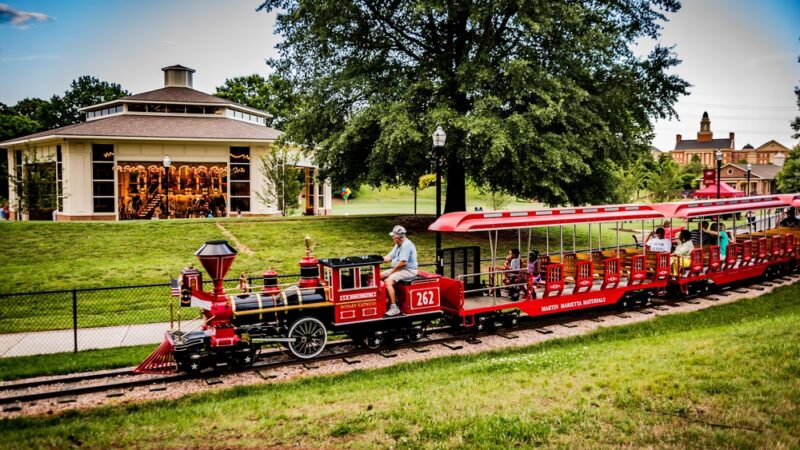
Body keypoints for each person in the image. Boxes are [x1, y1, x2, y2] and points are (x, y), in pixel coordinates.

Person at [381, 225, 418, 316]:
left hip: (408, 270)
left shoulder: (406, 245)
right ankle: (386, 300)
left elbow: (403, 263)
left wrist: (392, 272)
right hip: (399, 269)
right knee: (379, 276)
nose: (392, 237)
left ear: (399, 236)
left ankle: (394, 307)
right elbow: (389, 257)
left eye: (394, 236)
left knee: (388, 281)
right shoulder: (398, 244)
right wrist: (377, 259)